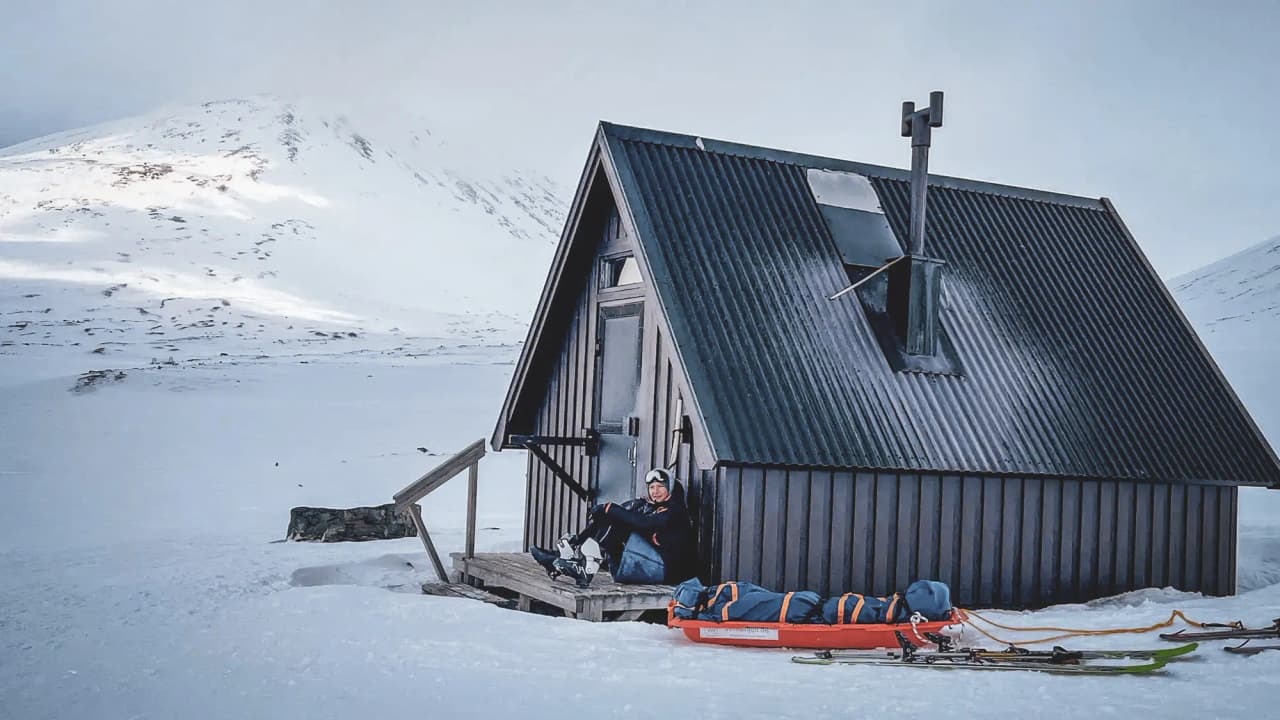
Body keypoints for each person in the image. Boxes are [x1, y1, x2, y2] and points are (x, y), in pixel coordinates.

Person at [530, 468, 692, 588]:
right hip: (643, 567)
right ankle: (567, 555)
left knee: (619, 520)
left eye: (660, 487)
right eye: (651, 487)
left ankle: (585, 567)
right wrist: (605, 513)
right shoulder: (654, 508)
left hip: (664, 571)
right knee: (614, 517)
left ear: (670, 487)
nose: (655, 491)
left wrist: (610, 508)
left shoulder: (675, 510)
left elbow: (644, 523)